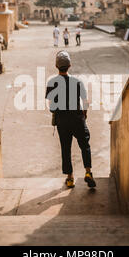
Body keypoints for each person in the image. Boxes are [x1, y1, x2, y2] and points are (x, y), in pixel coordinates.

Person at [46, 51, 96, 189]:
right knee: (85, 145)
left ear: (56, 66)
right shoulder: (77, 82)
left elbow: (51, 106)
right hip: (78, 119)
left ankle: (70, 178)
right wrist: (84, 115)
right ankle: (88, 172)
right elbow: (85, 101)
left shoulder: (51, 83)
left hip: (62, 122)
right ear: (70, 65)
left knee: (65, 149)